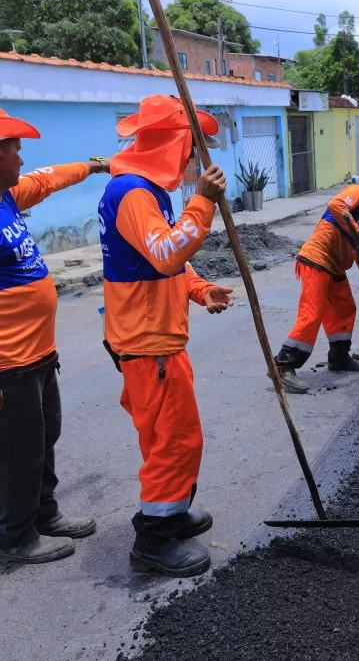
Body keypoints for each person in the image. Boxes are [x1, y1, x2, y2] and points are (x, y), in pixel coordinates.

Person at [99, 95, 235, 577]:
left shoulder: (147, 190)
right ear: (173, 142)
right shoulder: (133, 192)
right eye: (190, 145)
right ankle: (154, 540)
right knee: (171, 443)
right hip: (148, 342)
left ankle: (172, 513)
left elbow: (167, 263)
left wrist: (200, 290)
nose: (193, 155)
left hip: (155, 338)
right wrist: (204, 201)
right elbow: (165, 254)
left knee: (174, 436)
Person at [0, 109, 109, 564]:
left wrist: (94, 166)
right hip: (9, 365)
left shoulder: (7, 196)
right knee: (18, 451)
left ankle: (43, 513)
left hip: (39, 354)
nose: (22, 158)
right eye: (14, 149)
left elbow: (48, 178)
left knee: (45, 437)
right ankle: (15, 536)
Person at [273, 172, 359, 394]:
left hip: (335, 267)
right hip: (317, 259)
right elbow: (336, 205)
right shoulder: (358, 193)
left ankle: (339, 357)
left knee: (345, 309)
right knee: (312, 314)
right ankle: (283, 365)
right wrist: (358, 234)